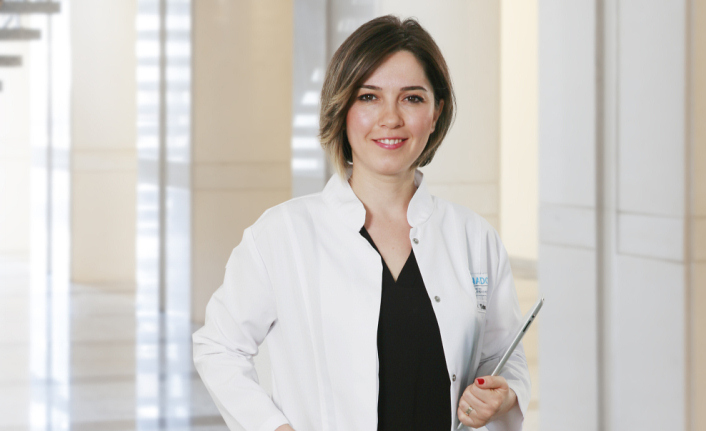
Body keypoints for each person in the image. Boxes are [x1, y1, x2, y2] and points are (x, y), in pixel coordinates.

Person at [193, 15, 530, 431]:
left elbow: (504, 358)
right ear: (343, 109)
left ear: (436, 112)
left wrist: (503, 394)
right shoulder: (282, 234)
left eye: (412, 98)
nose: (390, 118)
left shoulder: (474, 239)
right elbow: (218, 347)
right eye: (369, 97)